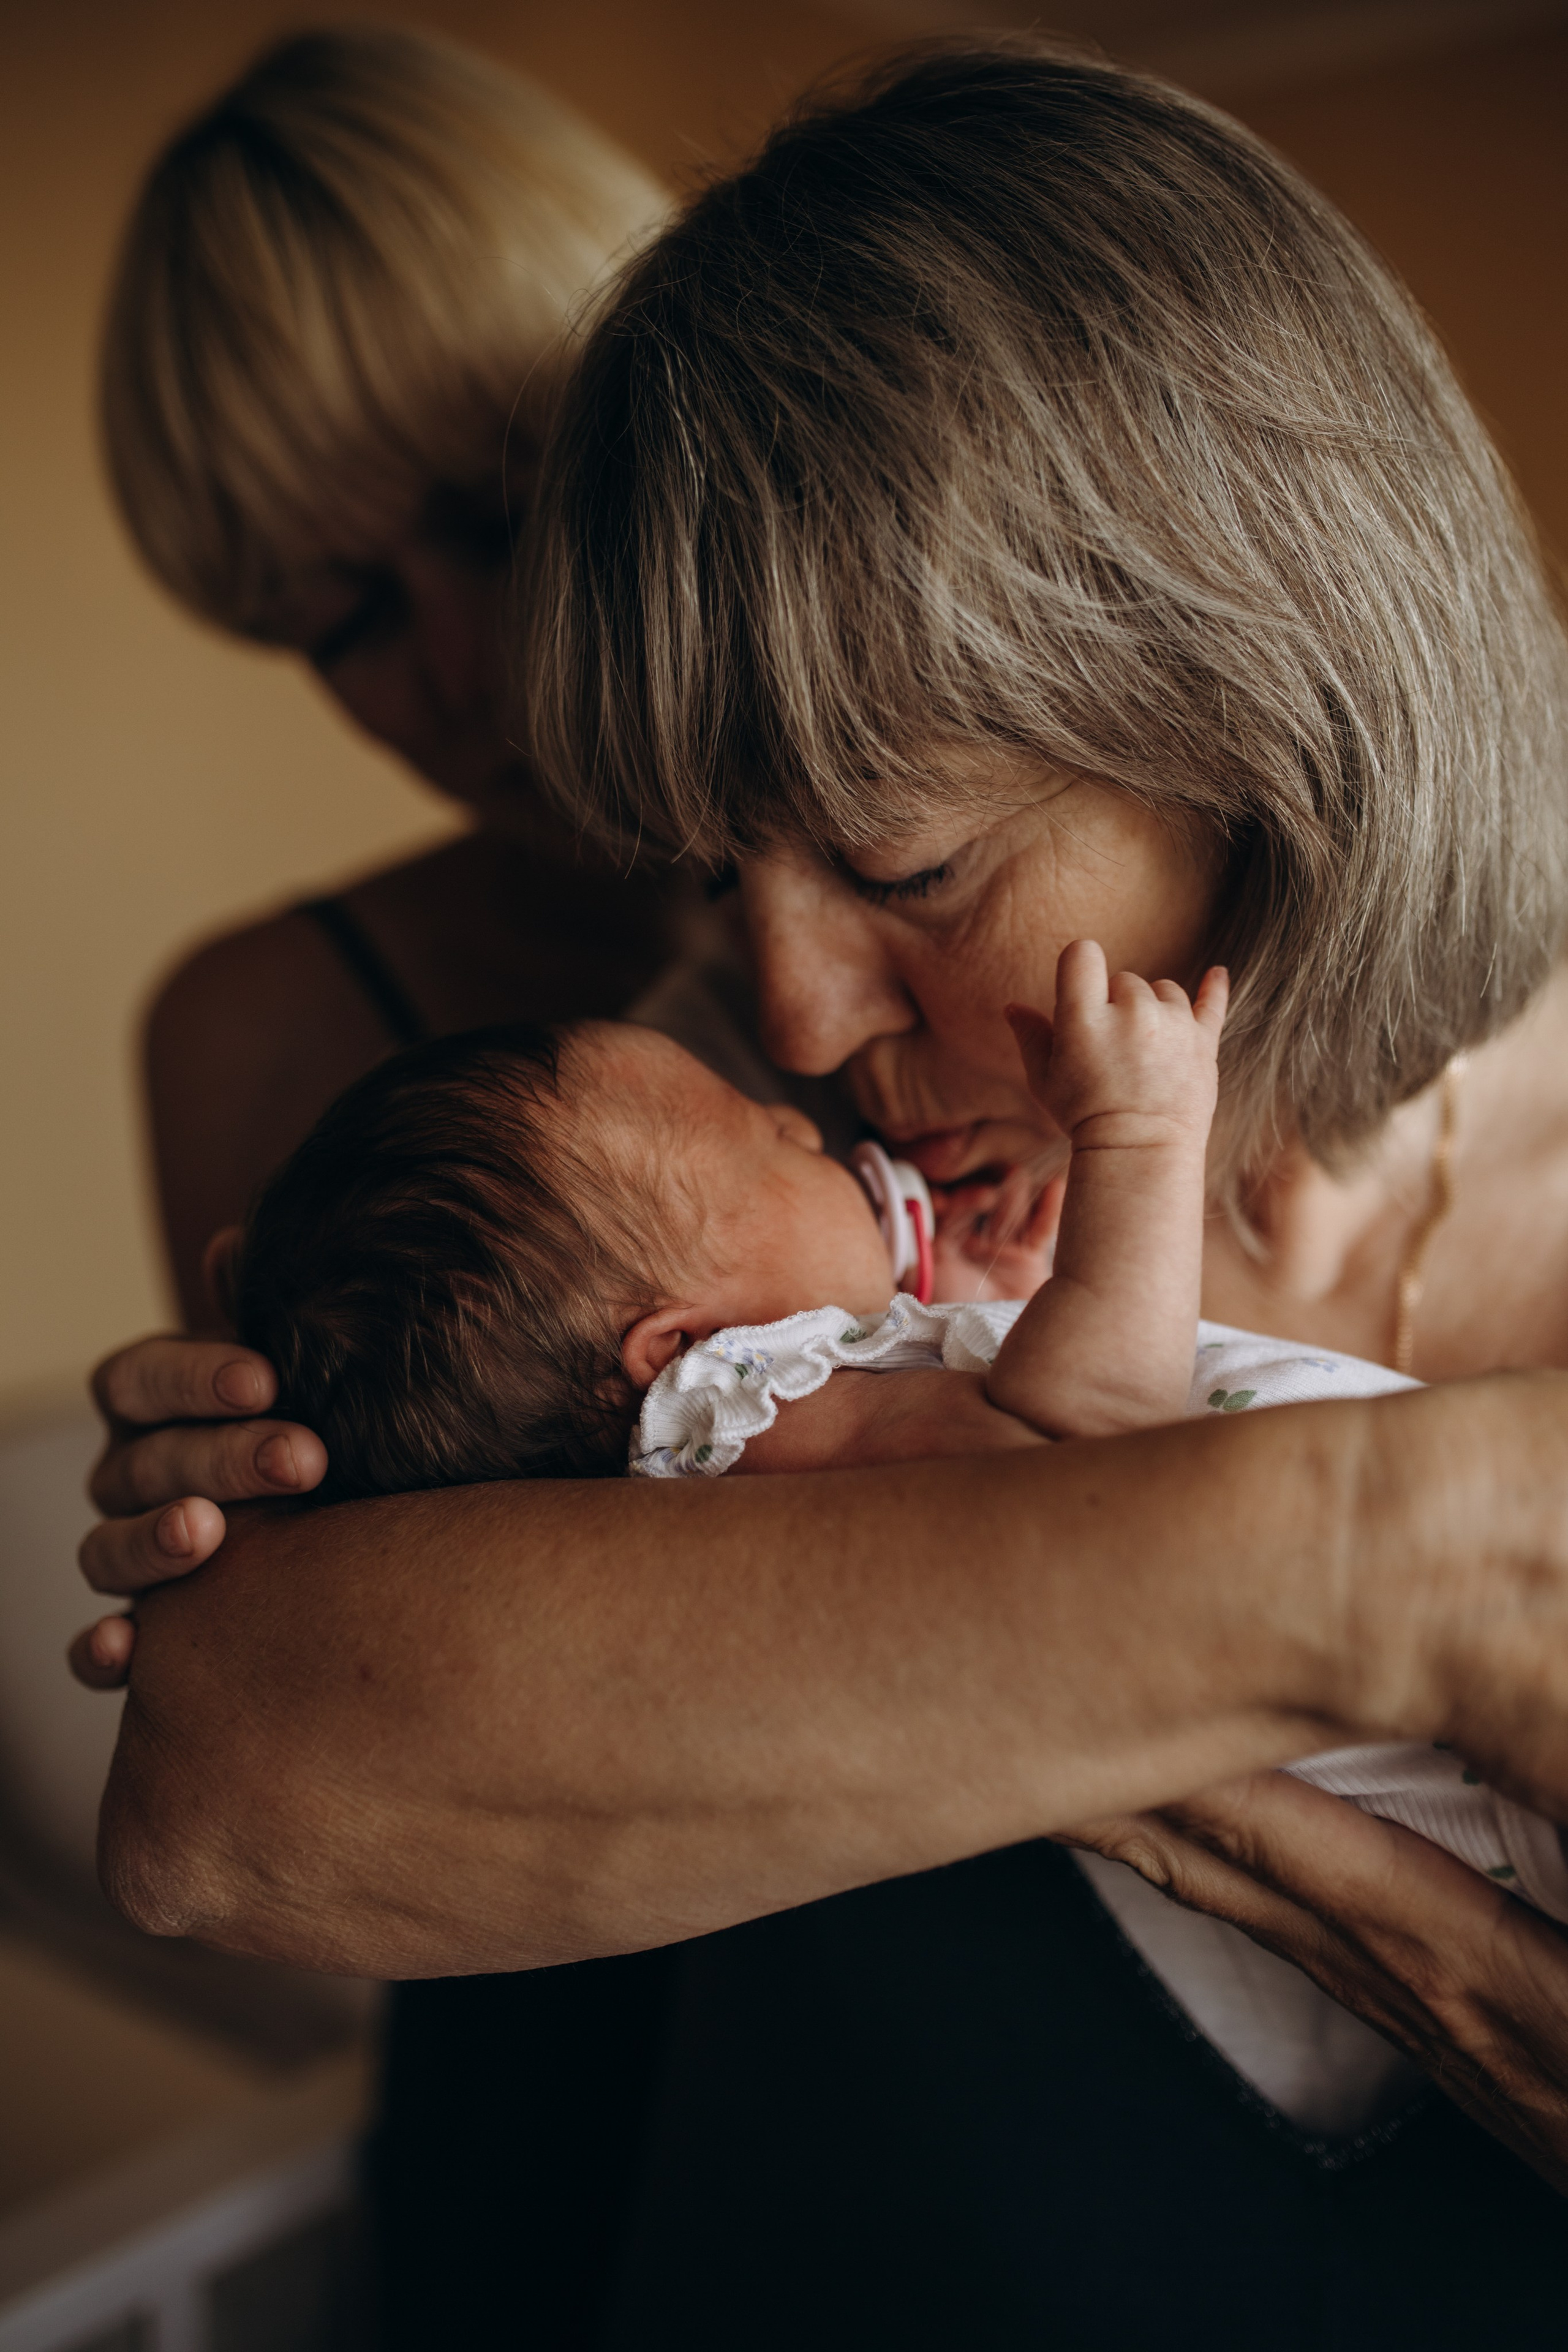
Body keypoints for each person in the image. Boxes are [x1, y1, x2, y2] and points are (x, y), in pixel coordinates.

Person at [81, 37, 1568, 2346]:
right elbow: (214, 1796)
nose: (783, 1017)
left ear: (1265, 711)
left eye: (908, 862)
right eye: (706, 862)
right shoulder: (708, 1179)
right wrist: (1371, 1593)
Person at [99, 24, 677, 1323]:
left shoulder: (1053, 879)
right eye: (344, 621)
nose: (474, 669)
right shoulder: (264, 1038)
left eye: (505, 520)